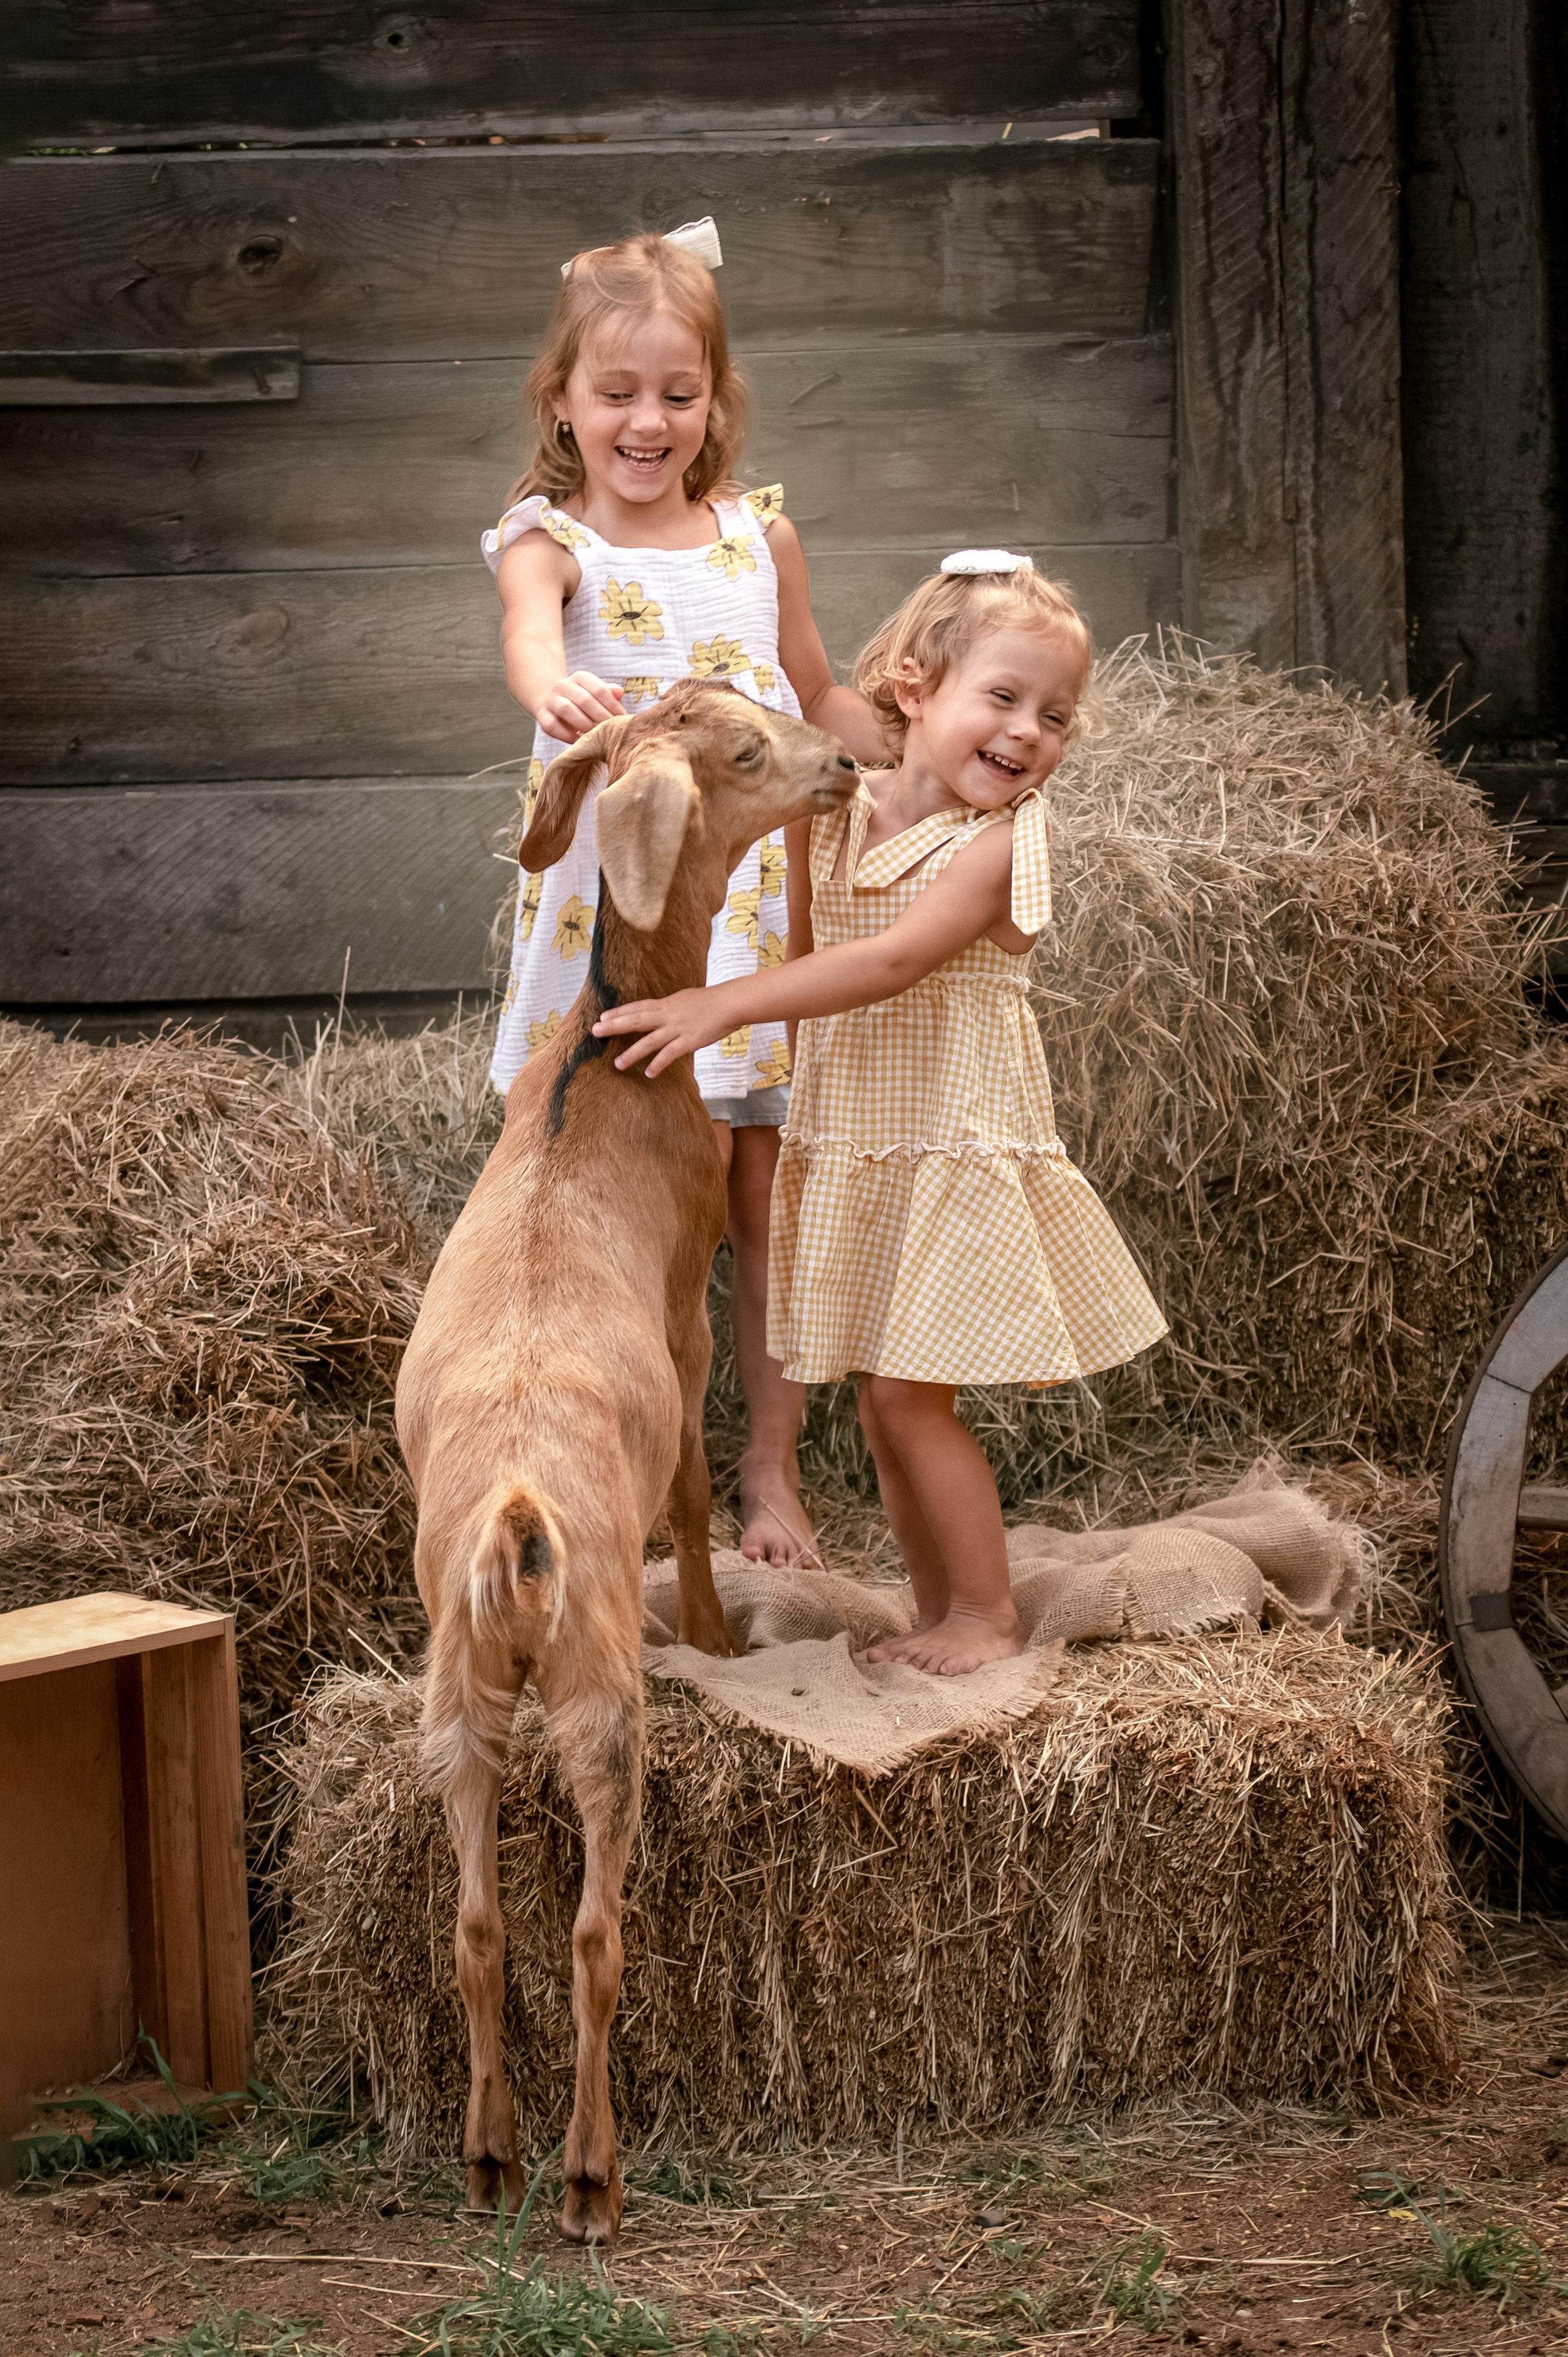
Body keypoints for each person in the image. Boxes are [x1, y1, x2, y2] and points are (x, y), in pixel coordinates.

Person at [592, 552, 1169, 1674]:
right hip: (856, 1140)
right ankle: (937, 1607)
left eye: (1053, 715)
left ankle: (987, 1614)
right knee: (875, 1400)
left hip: (950, 1145)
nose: (1027, 734)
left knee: (913, 1397)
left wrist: (719, 1005)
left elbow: (892, 961)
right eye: (1001, 699)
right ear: (913, 689)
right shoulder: (837, 805)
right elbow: (811, 946)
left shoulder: (1002, 843)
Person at [483, 219, 887, 1570]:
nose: (646, 421)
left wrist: (923, 752)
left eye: (677, 391)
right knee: (585, 1203)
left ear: (714, 397)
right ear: (562, 401)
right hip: (607, 936)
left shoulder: (755, 540)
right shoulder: (549, 543)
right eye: (616, 394)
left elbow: (814, 691)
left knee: (756, 1193)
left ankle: (765, 1476)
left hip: (750, 929)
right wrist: (556, 691)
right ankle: (583, 1475)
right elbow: (531, 642)